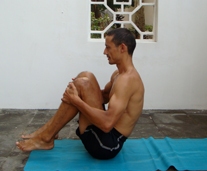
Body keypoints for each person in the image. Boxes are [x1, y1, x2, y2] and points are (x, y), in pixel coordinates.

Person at [16, 28, 145, 159]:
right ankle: (48, 131)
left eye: (108, 47)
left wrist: (76, 100)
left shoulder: (127, 80)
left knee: (81, 84)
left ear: (122, 48)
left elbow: (107, 124)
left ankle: (46, 137)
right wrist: (81, 89)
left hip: (107, 145)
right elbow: (104, 97)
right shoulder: (118, 74)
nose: (104, 52)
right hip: (106, 133)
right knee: (85, 76)